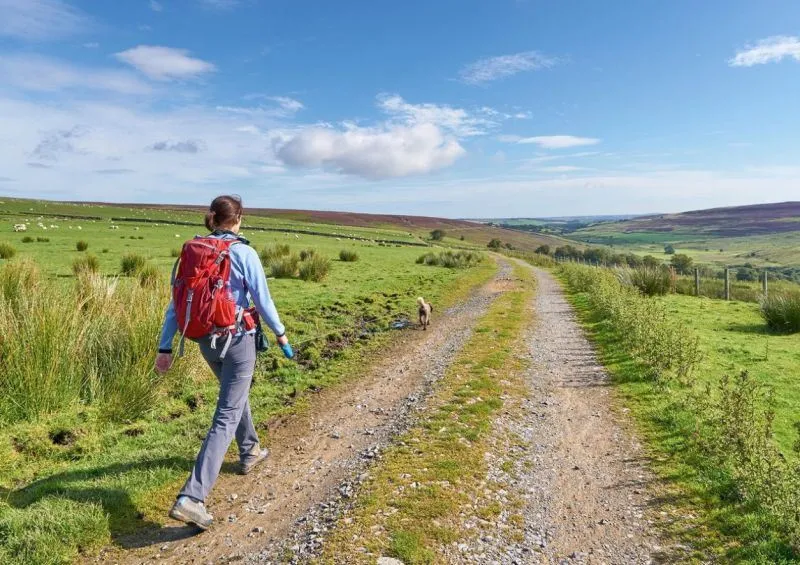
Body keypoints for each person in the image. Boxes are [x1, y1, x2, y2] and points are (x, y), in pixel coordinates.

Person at [154, 195, 294, 530]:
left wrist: (165, 346)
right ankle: (192, 497)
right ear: (238, 219)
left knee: (234, 396)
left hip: (204, 340)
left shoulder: (193, 251)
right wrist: (280, 333)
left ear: (213, 219)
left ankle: (250, 450)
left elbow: (177, 303)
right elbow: (262, 299)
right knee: (226, 414)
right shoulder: (244, 253)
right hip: (238, 340)